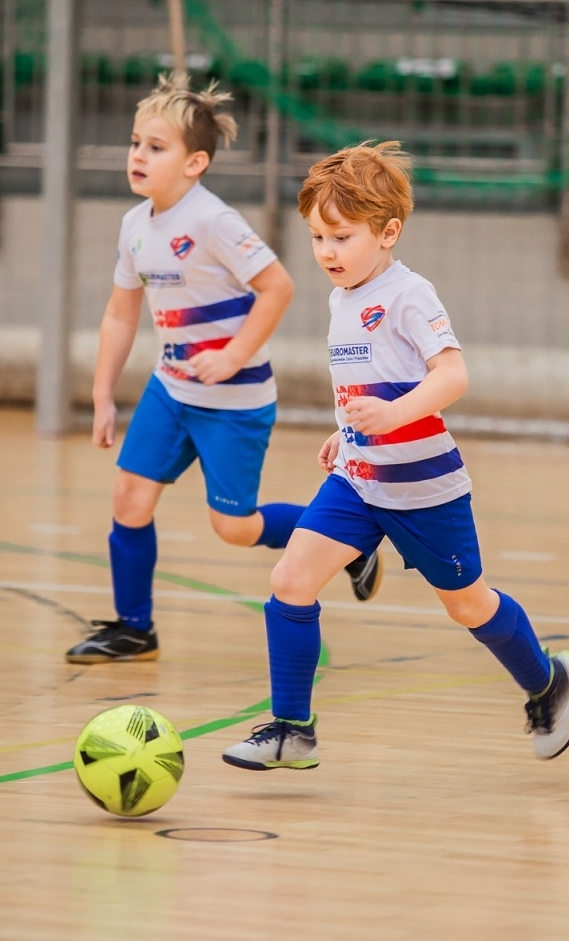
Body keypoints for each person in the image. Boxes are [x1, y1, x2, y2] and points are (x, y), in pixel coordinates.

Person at [220, 142, 569, 769]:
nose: (327, 251)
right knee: (290, 580)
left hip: (424, 490)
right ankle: (292, 729)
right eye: (317, 238)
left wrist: (392, 415)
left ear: (388, 233)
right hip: (360, 483)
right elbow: (368, 385)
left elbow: (452, 376)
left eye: (340, 236)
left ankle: (547, 682)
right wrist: (351, 432)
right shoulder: (341, 298)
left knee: (469, 604)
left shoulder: (412, 295)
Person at [66, 75, 382, 664]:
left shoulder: (213, 222)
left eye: (156, 147)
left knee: (232, 527)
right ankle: (135, 628)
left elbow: (277, 287)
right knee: (128, 498)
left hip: (234, 402)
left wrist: (233, 355)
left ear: (196, 163)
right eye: (135, 142)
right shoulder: (134, 226)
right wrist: (103, 392)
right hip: (170, 391)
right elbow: (119, 312)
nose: (138, 155)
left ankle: (348, 540)